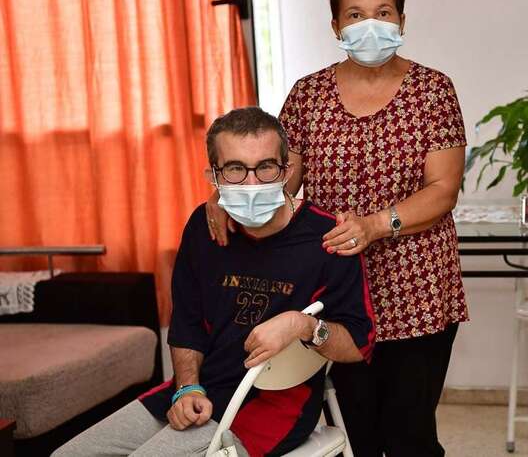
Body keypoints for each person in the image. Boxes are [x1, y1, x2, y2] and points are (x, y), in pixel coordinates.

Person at [207, 0, 468, 457]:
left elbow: (442, 190)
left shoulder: (434, 91)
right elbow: (276, 177)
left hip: (417, 287)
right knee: (359, 432)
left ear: (402, 20)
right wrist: (225, 196)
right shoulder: (308, 96)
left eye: (383, 12)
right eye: (355, 14)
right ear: (336, 27)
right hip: (337, 294)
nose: (370, 24)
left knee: (410, 435)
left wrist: (374, 225)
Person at [54, 107, 375, 457]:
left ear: (287, 171)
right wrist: (187, 388)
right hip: (199, 391)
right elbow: (187, 323)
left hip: (270, 407)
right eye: (236, 169)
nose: (252, 184)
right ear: (214, 175)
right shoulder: (204, 228)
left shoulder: (330, 238)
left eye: (266, 167)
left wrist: (304, 325)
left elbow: (358, 345)